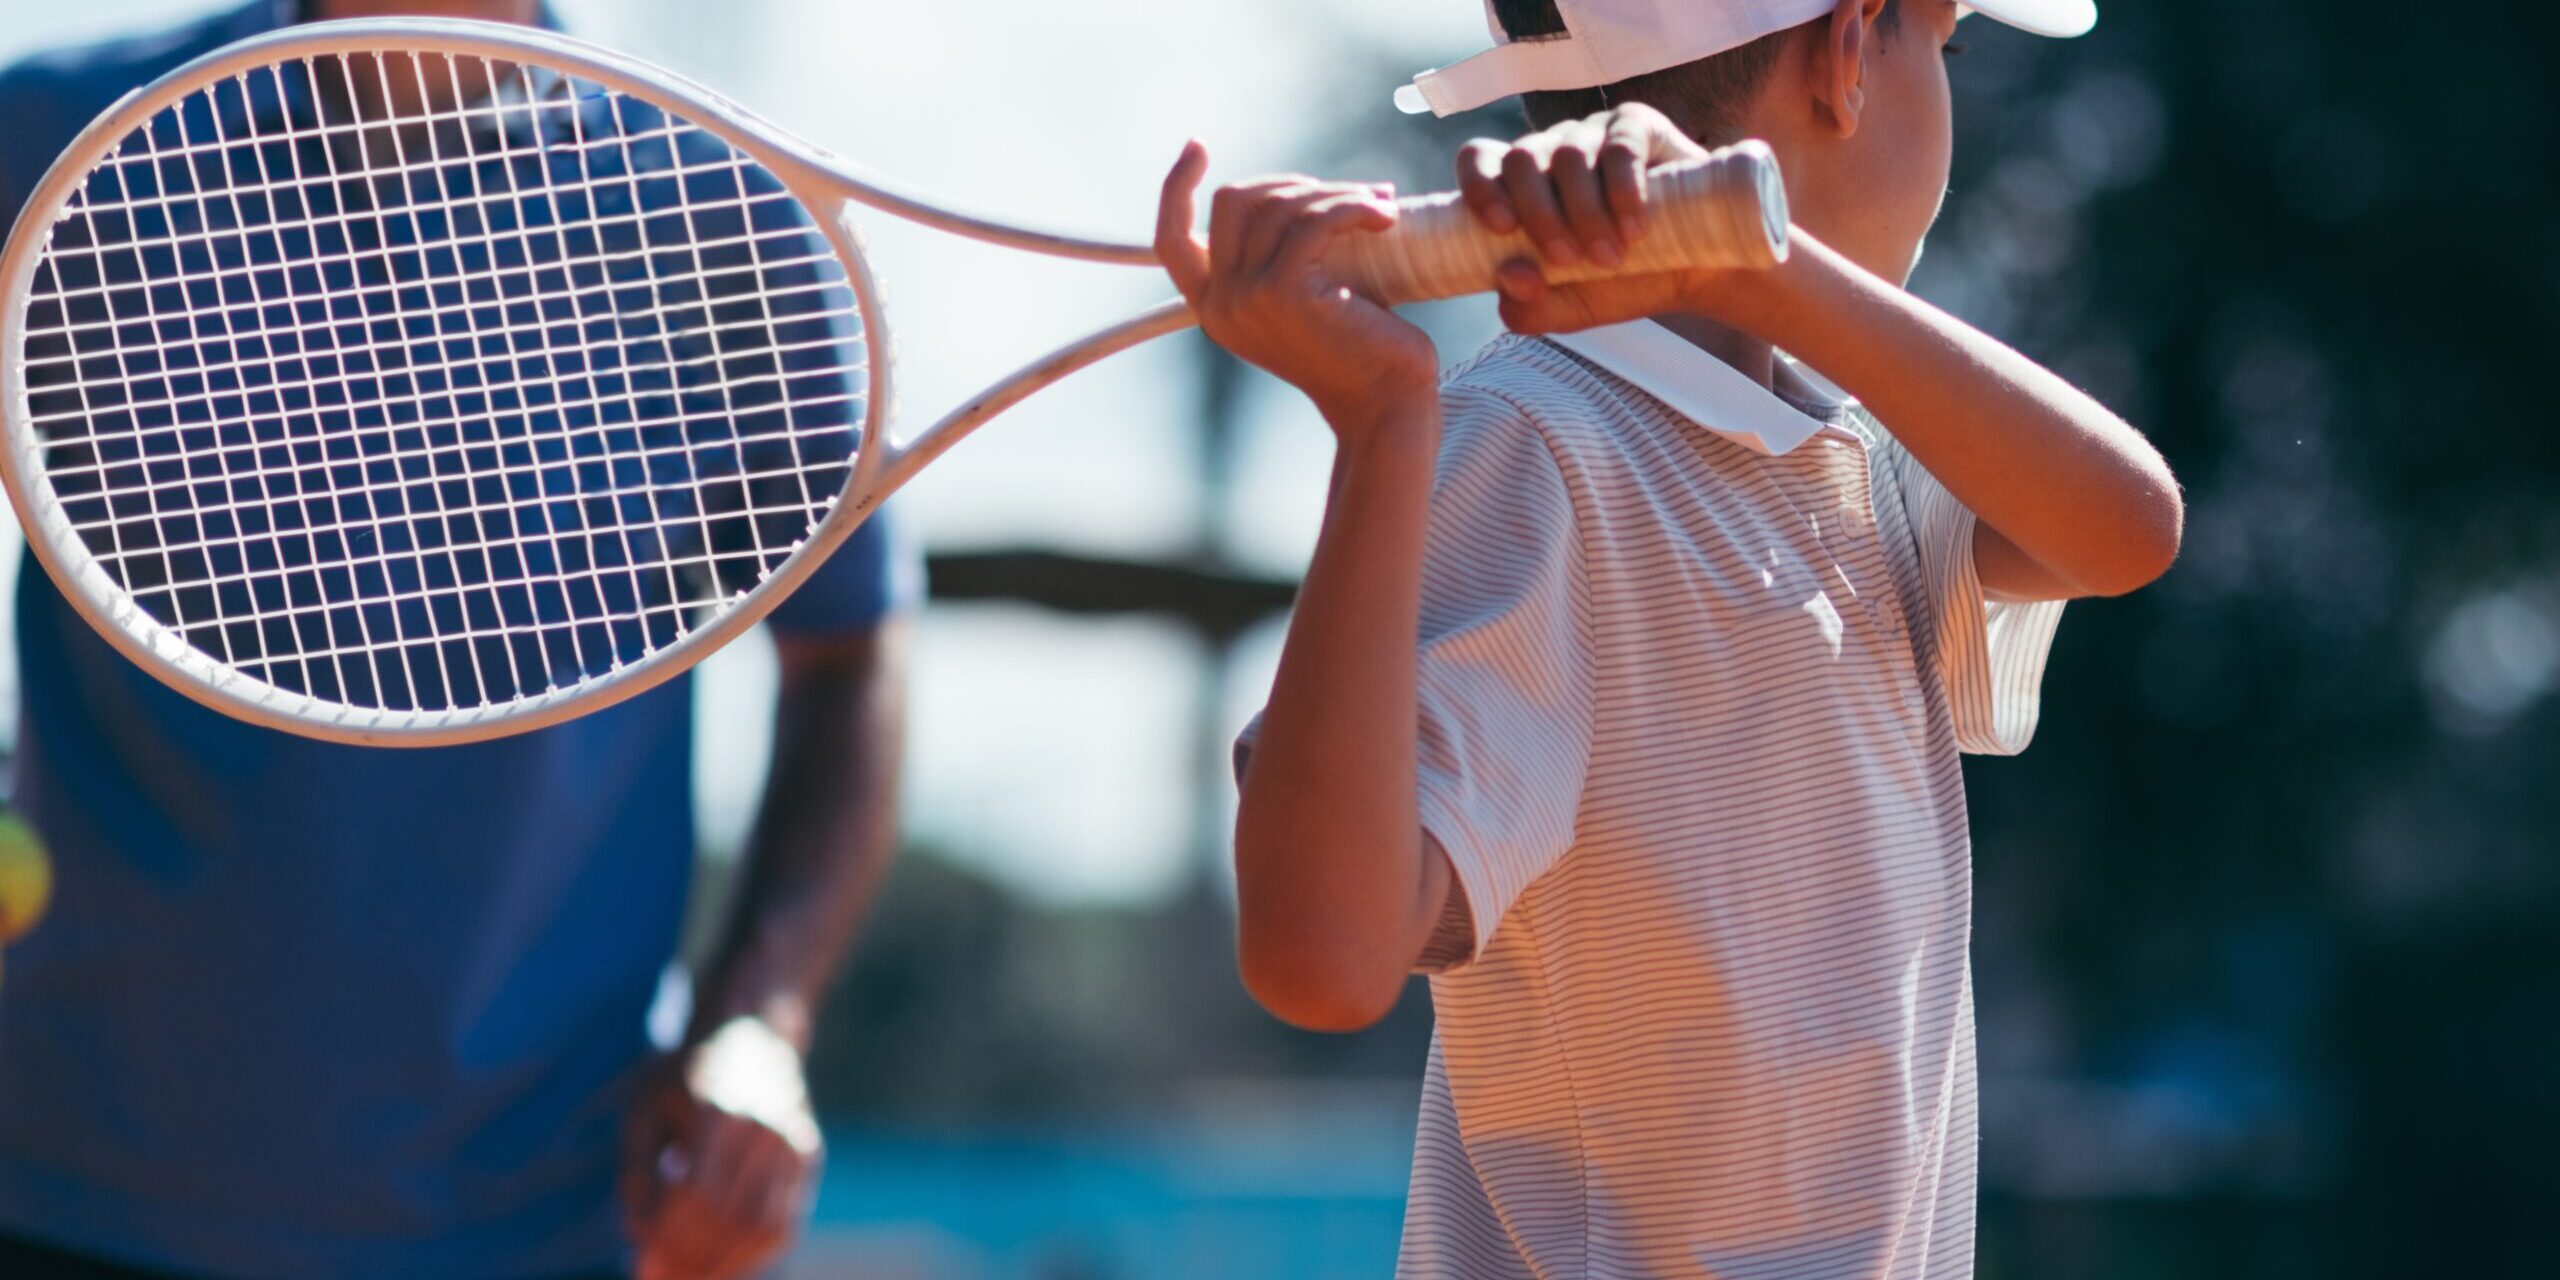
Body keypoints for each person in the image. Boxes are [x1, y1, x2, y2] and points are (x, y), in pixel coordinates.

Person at [1161, 0, 2180, 1276]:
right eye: (1949, 43)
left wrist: (1753, 265)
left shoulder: (1853, 453)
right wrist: (1379, 428)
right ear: (1852, 49)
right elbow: (1322, 954)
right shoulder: (1528, 449)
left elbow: (2127, 525)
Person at [0, 3, 918, 1278]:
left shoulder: (725, 211)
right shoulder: (43, 142)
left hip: (542, 1213)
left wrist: (755, 1021)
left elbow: (849, 654)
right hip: (59, 1184)